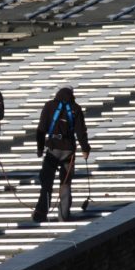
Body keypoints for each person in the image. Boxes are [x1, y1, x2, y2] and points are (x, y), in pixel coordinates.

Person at [33, 85, 91, 222]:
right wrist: (85, 149)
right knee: (65, 183)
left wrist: (40, 148)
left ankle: (41, 213)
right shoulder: (76, 108)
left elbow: (41, 129)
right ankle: (63, 215)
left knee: (46, 182)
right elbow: (81, 132)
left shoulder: (49, 106)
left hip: (53, 149)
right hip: (68, 152)